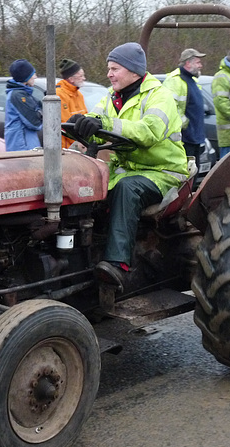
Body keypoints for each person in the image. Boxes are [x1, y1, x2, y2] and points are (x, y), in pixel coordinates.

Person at [69, 42, 187, 289]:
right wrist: (81, 123)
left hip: (162, 172)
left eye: (115, 69)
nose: (109, 74)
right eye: (109, 68)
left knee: (126, 188)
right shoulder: (113, 98)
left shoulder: (159, 96)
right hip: (129, 170)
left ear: (134, 71)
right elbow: (97, 123)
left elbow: (148, 132)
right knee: (85, 188)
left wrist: (102, 124)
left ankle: (117, 264)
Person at [162, 48, 207, 167]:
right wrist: (185, 124)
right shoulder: (175, 80)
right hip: (183, 140)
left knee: (193, 174)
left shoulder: (192, 80)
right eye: (198, 62)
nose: (200, 66)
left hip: (194, 139)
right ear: (188, 63)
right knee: (185, 177)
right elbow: (169, 108)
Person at [4, 59, 43, 152]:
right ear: (26, 77)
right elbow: (34, 123)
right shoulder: (18, 96)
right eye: (33, 74)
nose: (35, 77)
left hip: (26, 143)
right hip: (22, 146)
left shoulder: (23, 94)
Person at [56, 58, 88, 149]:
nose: (84, 78)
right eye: (81, 76)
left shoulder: (79, 95)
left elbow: (86, 117)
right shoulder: (59, 95)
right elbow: (65, 125)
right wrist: (81, 142)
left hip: (80, 144)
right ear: (71, 79)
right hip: (66, 148)